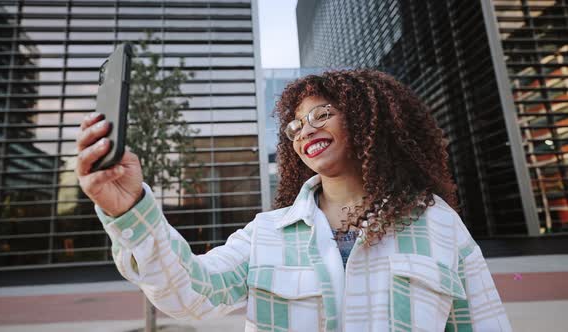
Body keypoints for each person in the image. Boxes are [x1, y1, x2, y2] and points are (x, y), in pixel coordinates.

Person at [76, 69, 512, 331]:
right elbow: (189, 293)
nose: (304, 130)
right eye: (295, 126)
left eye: (322, 114)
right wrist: (130, 209)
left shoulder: (438, 223)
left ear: (367, 122)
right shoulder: (267, 233)